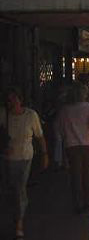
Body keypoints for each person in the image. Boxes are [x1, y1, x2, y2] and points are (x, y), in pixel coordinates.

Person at [1, 86, 48, 239]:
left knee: (19, 189)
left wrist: (44, 154)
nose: (11, 102)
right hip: (7, 159)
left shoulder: (30, 115)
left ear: (20, 99)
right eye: (8, 100)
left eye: (14, 98)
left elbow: (39, 136)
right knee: (13, 190)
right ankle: (16, 215)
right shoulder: (3, 115)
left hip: (25, 158)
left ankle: (19, 223)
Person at [57, 81, 89, 214]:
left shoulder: (65, 109)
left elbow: (60, 128)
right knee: (87, 174)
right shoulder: (87, 107)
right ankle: (88, 201)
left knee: (75, 175)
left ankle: (77, 202)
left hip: (71, 145)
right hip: (87, 144)